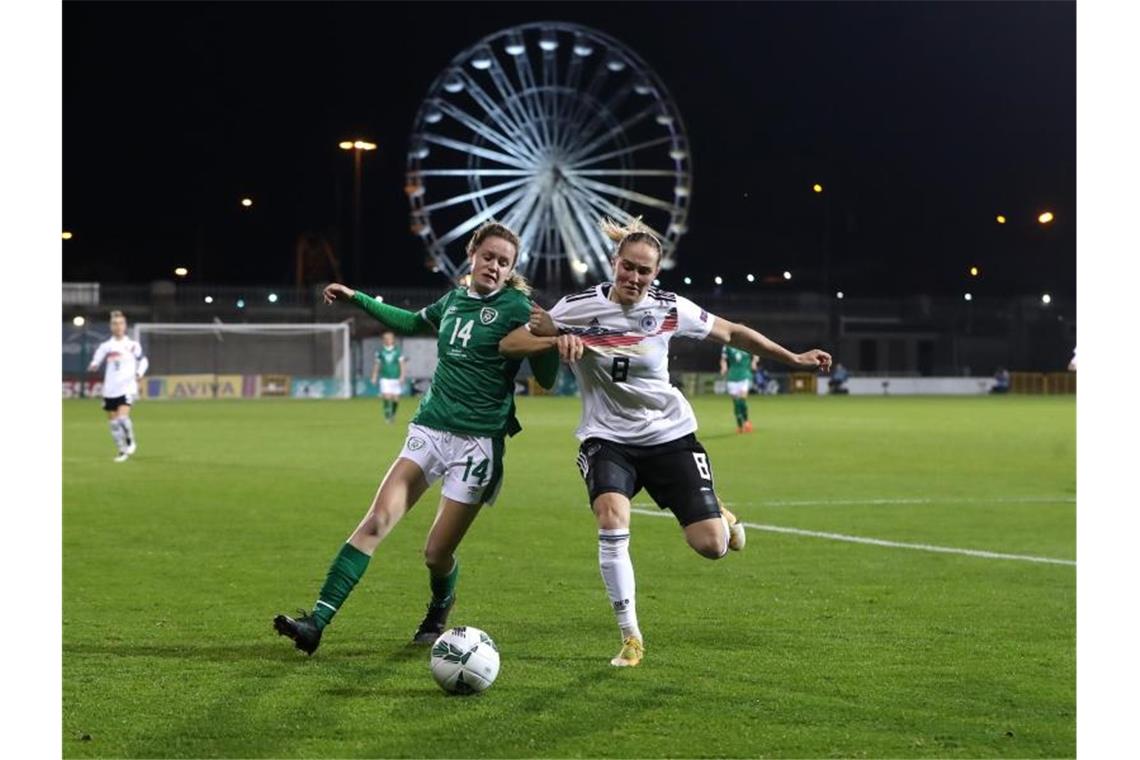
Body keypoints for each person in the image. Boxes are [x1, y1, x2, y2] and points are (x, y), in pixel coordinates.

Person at [501, 218, 832, 668]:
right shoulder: (577, 307)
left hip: (668, 435)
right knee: (610, 516)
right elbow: (514, 341)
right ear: (614, 263)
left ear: (655, 275)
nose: (635, 278)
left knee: (712, 546)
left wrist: (793, 358)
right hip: (607, 437)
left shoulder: (670, 308)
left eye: (645, 271)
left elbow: (732, 332)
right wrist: (559, 338)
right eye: (628, 268)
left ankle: (720, 512)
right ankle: (630, 636)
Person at [274, 222, 559, 655]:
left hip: (477, 446)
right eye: (489, 257)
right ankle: (316, 622)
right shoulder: (454, 300)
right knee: (376, 521)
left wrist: (549, 339)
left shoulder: (519, 308)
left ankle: (440, 604)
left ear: (511, 269)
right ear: (472, 255)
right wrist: (357, 297)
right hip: (430, 429)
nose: (495, 266)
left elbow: (547, 379)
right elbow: (409, 322)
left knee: (435, 554)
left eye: (504, 262)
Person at [87, 310, 148, 462]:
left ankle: (130, 441)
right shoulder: (106, 346)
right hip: (110, 389)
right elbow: (97, 359)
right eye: (115, 323)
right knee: (113, 424)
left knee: (122, 418)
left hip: (127, 387)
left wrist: (139, 373)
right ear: (111, 326)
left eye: (121, 323)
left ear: (125, 325)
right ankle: (122, 451)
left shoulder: (132, 345)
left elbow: (144, 361)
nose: (118, 326)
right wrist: (94, 365)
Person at [720, 345, 759, 432]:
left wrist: (754, 362)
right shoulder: (727, 346)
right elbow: (723, 359)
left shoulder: (747, 343)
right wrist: (724, 367)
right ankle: (739, 425)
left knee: (742, 400)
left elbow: (756, 354)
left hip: (745, 375)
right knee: (736, 403)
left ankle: (746, 421)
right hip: (732, 377)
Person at [371, 330, 407, 423]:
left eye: (390, 338)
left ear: (393, 340)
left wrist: (402, 376)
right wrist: (374, 376)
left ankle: (393, 414)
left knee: (396, 398)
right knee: (387, 396)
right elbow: (377, 365)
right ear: (383, 340)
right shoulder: (380, 352)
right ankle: (387, 417)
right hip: (385, 378)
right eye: (386, 338)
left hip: (396, 377)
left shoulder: (397, 351)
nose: (388, 340)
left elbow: (402, 364)